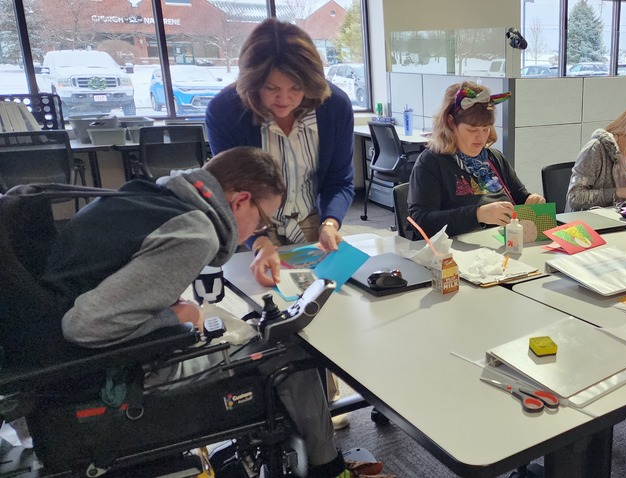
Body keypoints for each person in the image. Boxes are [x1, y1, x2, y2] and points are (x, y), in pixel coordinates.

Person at [41, 147, 385, 478]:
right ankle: (326, 470)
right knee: (290, 351)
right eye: (263, 222)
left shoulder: (154, 197)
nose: (260, 232)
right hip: (109, 373)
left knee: (249, 330)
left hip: (61, 357)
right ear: (240, 201)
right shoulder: (194, 233)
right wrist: (177, 318)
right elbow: (84, 325)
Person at [206, 18, 355, 288]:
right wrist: (258, 241)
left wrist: (330, 223)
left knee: (320, 305)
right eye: (271, 88)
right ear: (252, 82)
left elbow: (339, 180)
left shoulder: (335, 107)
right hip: (252, 228)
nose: (284, 99)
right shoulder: (225, 112)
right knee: (259, 303)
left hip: (312, 224)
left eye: (296, 88)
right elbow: (231, 196)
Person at [407, 81, 544, 238]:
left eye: (486, 129)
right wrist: (477, 215)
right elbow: (421, 223)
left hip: (497, 248)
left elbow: (519, 198)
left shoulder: (494, 158)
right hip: (454, 255)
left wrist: (531, 201)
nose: (481, 137)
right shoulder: (431, 163)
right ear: (450, 123)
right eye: (472, 130)